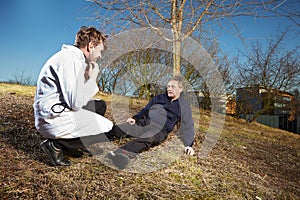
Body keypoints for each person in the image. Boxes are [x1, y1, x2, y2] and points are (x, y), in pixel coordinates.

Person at [33, 26, 113, 166]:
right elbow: (75, 103)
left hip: (57, 109)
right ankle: (57, 144)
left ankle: (75, 144)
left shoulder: (75, 59)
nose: (100, 56)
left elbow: (78, 97)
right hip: (53, 118)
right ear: (91, 46)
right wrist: (93, 77)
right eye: (100, 51)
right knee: (108, 128)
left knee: (99, 106)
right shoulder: (70, 60)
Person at [106, 76, 195, 169]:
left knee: (149, 137)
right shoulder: (159, 98)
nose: (169, 89)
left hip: (160, 130)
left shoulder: (184, 106)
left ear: (180, 89)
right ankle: (93, 139)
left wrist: (189, 145)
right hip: (145, 122)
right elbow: (146, 109)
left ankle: (122, 155)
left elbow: (187, 126)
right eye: (168, 86)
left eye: (173, 87)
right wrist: (135, 118)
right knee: (120, 129)